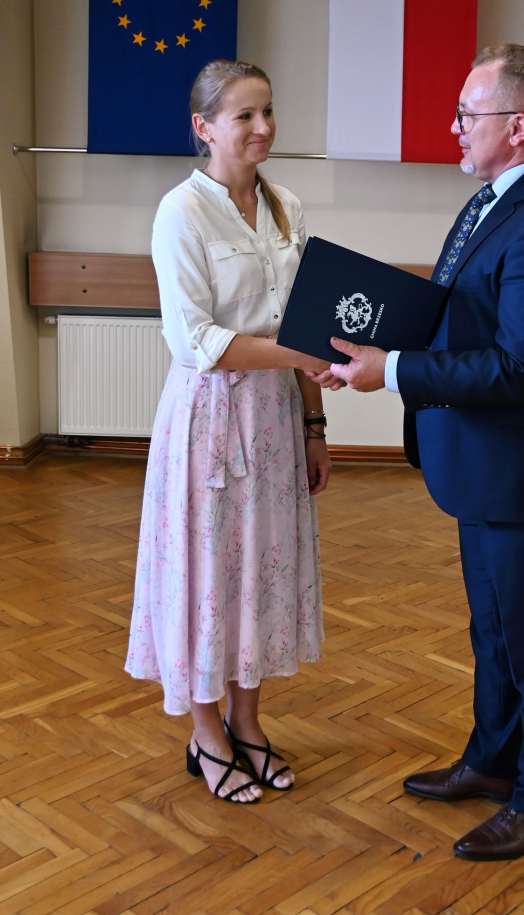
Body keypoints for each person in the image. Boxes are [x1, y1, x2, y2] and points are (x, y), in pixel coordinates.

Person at [309, 45, 524, 859]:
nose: (455, 128)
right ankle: (495, 761)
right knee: (496, 633)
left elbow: (521, 367)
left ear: (519, 126)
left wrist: (392, 371)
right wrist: (365, 346)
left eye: (468, 114)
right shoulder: (496, 198)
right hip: (489, 470)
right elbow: (458, 312)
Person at [126, 59, 337, 804]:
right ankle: (205, 731)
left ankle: (248, 722)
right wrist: (299, 355)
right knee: (207, 575)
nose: (263, 127)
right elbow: (196, 342)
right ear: (204, 127)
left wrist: (315, 424)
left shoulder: (287, 206)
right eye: (245, 115)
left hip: (276, 416)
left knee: (260, 575)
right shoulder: (181, 211)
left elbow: (305, 321)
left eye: (268, 111)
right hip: (210, 422)